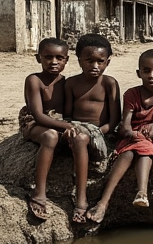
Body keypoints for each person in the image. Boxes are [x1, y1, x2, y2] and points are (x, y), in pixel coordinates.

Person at [88, 49, 153, 223]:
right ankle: (103, 202)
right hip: (137, 135)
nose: (152, 76)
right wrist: (132, 133)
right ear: (139, 73)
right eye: (146, 71)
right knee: (130, 152)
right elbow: (125, 125)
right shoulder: (132, 93)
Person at [63, 33, 122, 224]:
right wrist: (72, 128)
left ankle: (81, 200)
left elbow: (114, 121)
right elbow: (68, 115)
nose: (95, 66)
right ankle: (81, 198)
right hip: (77, 128)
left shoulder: (109, 83)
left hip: (99, 133)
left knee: (81, 138)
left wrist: (95, 132)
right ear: (79, 60)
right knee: (79, 137)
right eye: (89, 61)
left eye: (100, 61)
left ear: (108, 62)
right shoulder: (71, 83)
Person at [18, 37, 71, 220]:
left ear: (66, 60)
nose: (54, 62)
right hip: (35, 122)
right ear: (38, 58)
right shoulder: (34, 80)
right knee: (50, 137)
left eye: (59, 58)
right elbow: (39, 116)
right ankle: (39, 192)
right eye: (48, 57)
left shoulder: (66, 82)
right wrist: (66, 126)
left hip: (58, 121)